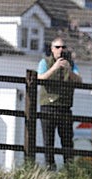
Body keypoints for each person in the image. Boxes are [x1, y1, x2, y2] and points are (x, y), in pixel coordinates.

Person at [37, 36, 82, 169]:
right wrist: (54, 68)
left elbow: (79, 81)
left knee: (67, 141)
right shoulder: (44, 62)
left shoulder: (71, 64)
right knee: (48, 141)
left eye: (63, 47)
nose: (60, 50)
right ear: (52, 49)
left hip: (64, 108)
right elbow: (40, 78)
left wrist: (69, 70)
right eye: (57, 47)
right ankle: (50, 168)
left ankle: (69, 170)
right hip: (48, 107)